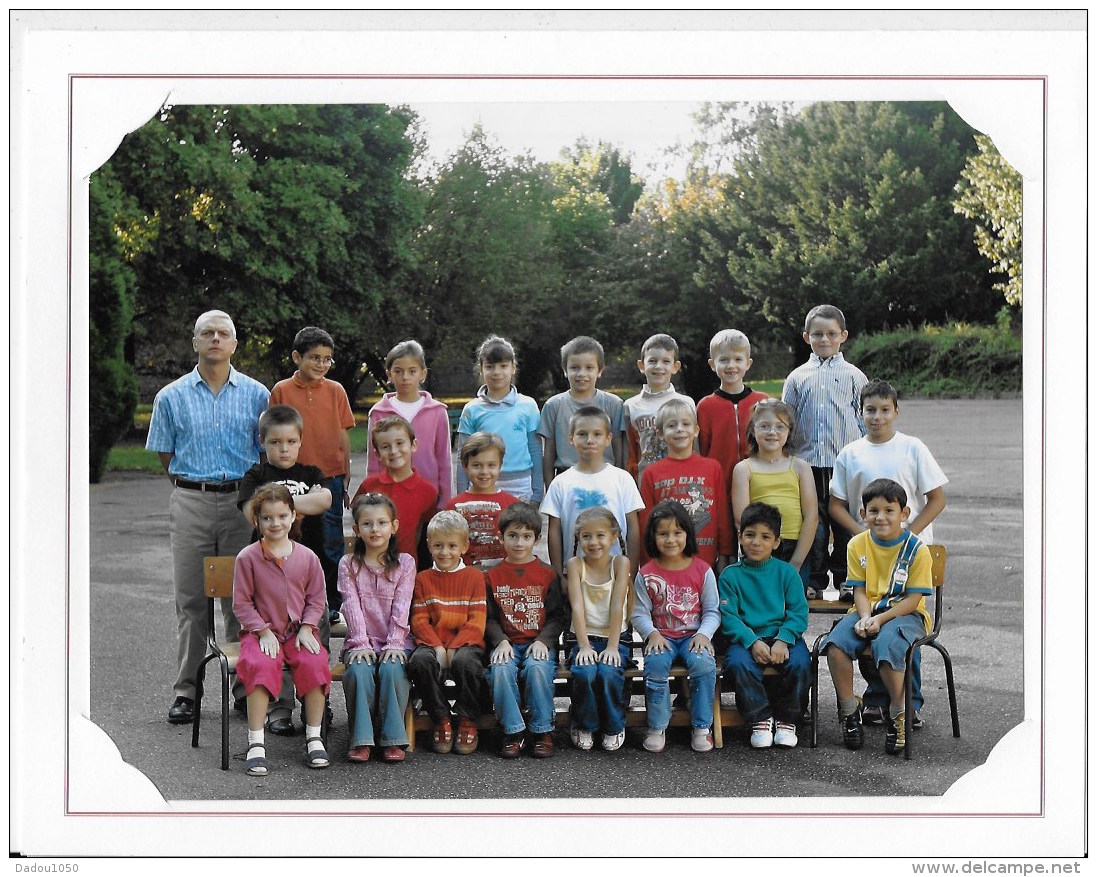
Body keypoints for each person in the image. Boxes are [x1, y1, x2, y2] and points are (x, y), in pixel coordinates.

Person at [145, 309, 269, 724]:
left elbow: (269, 451)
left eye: (224, 333)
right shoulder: (170, 397)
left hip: (242, 503)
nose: (215, 339)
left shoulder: (258, 396)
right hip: (191, 500)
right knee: (192, 600)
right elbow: (166, 455)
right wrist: (193, 487)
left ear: (234, 344)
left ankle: (242, 684)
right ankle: (187, 692)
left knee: (241, 599)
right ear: (195, 342)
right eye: (207, 333)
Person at [828, 378, 948, 724]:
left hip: (908, 551)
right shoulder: (851, 453)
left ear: (895, 411)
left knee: (898, 633)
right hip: (870, 550)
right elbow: (837, 505)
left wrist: (908, 532)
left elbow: (936, 498)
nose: (877, 417)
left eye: (884, 410)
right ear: (860, 412)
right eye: (870, 410)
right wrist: (865, 536)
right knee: (867, 626)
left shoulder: (912, 447)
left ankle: (908, 706)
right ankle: (878, 701)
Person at [820, 479, 935, 756]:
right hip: (867, 611)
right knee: (835, 646)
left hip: (904, 614)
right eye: (873, 511)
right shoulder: (857, 544)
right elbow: (859, 590)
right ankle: (849, 711)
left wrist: (880, 620)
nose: (880, 517)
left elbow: (912, 600)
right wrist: (864, 617)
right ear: (863, 514)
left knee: (887, 646)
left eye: (889, 510)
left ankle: (898, 713)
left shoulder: (916, 549)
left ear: (904, 514)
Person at [237, 404, 334, 735]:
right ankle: (279, 708)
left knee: (312, 643)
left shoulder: (311, 473)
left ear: (300, 441)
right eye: (276, 442)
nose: (284, 448)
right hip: (269, 579)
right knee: (275, 646)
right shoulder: (256, 475)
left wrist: (277, 507)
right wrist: (297, 507)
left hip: (308, 576)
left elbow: (325, 501)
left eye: (291, 442)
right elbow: (250, 508)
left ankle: (317, 706)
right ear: (262, 441)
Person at [232, 484, 332, 776]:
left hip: (298, 631)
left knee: (314, 662)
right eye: (267, 518)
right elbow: (241, 604)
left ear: (293, 517)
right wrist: (262, 632)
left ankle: (314, 735)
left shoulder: (307, 558)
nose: (275, 523)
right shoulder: (247, 558)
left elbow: (316, 599)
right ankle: (256, 742)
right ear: (257, 521)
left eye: (281, 516)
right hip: (261, 632)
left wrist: (308, 628)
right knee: (259, 665)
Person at [269, 326, 355, 623]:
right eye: (314, 358)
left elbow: (343, 433)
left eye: (327, 359)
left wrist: (345, 472)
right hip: (293, 477)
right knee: (296, 542)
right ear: (297, 357)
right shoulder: (282, 390)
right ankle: (295, 604)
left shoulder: (336, 391)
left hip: (328, 476)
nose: (321, 365)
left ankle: (331, 605)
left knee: (330, 543)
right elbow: (274, 431)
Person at [781, 304, 867, 599]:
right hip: (807, 465)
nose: (825, 339)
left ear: (843, 336)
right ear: (807, 337)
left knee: (844, 523)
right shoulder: (797, 377)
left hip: (844, 464)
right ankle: (814, 580)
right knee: (813, 524)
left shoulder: (854, 376)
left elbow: (863, 419)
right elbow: (786, 421)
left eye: (831, 333)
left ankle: (845, 579)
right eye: (818, 334)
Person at [718, 502, 810, 749]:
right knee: (738, 663)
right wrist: (752, 641)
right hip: (747, 639)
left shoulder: (787, 573)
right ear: (740, 537)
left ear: (777, 542)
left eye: (765, 537)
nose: (756, 542)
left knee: (801, 663)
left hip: (783, 636)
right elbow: (729, 616)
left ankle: (787, 719)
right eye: (750, 535)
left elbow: (799, 612)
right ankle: (760, 717)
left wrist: (784, 638)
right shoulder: (730, 575)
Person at [632, 501, 719, 754]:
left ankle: (702, 726)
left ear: (688, 535)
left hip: (694, 636)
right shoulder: (646, 574)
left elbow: (713, 610)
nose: (671, 539)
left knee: (704, 665)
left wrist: (704, 633)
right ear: (653, 536)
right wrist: (652, 633)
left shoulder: (702, 570)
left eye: (677, 533)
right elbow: (639, 613)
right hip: (662, 638)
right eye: (663, 533)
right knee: (656, 666)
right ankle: (657, 725)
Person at [484, 502, 569, 758]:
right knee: (500, 670)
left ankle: (542, 730)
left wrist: (544, 641)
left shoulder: (547, 574)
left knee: (537, 669)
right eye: (512, 536)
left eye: (526, 537)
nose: (519, 543)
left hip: (537, 643)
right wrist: (499, 640)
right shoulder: (491, 575)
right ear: (502, 537)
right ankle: (513, 731)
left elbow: (557, 617)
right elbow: (488, 617)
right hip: (507, 643)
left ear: (537, 538)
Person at [337, 492, 416, 764]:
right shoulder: (348, 565)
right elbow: (351, 605)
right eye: (368, 524)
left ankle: (393, 738)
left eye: (382, 523)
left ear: (394, 526)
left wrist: (395, 642)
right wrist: (360, 642)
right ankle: (361, 739)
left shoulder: (405, 563)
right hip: (361, 641)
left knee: (394, 668)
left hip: (396, 639)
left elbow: (402, 606)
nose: (375, 529)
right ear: (357, 530)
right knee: (359, 670)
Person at [406, 511, 488, 755]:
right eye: (438, 546)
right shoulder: (423, 578)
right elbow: (419, 620)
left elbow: (477, 621)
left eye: (452, 546)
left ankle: (466, 719)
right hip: (433, 643)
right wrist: (438, 647)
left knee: (466, 663)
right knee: (420, 662)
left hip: (467, 643)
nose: (445, 552)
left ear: (464, 546)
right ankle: (440, 717)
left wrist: (453, 648)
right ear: (429, 545)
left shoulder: (474, 577)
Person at [540, 406, 644, 577]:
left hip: (615, 573)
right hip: (575, 574)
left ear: (608, 438)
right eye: (582, 434)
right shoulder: (560, 483)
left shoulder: (622, 479)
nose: (590, 440)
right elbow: (554, 531)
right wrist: (559, 576)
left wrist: (631, 572)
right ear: (571, 438)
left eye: (597, 434)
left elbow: (632, 526)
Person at [730, 399, 819, 595]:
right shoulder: (744, 469)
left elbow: (812, 516)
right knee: (760, 598)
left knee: (790, 601)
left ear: (789, 432)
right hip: (759, 546)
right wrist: (759, 545)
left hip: (795, 547)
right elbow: (741, 518)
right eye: (765, 426)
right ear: (753, 430)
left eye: (780, 427)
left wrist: (796, 562)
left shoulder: (800, 467)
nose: (772, 432)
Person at [564, 506, 633, 752]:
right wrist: (583, 645)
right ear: (579, 539)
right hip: (582, 637)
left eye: (600, 535)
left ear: (614, 536)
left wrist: (613, 646)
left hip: (616, 638)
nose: (593, 542)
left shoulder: (620, 563)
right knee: (585, 672)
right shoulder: (575, 564)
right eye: (586, 536)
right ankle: (584, 723)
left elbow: (617, 606)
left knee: (609, 671)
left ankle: (614, 725)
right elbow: (577, 606)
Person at [639, 397, 733, 572]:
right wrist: (647, 562)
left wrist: (726, 553)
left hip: (706, 560)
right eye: (672, 425)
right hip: (665, 562)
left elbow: (721, 514)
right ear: (660, 433)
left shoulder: (712, 468)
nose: (680, 430)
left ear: (696, 430)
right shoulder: (652, 473)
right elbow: (646, 521)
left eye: (686, 424)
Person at [365, 339, 453, 508]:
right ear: (389, 374)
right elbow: (374, 461)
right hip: (389, 495)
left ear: (423, 373)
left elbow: (444, 460)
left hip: (428, 495)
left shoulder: (437, 411)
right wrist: (373, 497)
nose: (405, 377)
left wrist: (445, 500)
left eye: (412, 371)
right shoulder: (378, 413)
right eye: (398, 371)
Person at [456, 335, 543, 502]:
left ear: (513, 368)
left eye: (503, 366)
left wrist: (538, 492)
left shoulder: (528, 406)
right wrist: (462, 496)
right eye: (490, 366)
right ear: (481, 369)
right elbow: (463, 455)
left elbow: (536, 451)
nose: (497, 372)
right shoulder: (471, 410)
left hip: (520, 487)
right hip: (483, 484)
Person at [538, 335, 625, 488]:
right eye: (574, 368)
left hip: (606, 478)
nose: (581, 374)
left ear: (600, 370)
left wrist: (619, 482)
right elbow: (549, 451)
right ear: (565, 370)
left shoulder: (613, 404)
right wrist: (550, 487)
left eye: (589, 368)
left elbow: (618, 446)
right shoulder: (554, 405)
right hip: (566, 479)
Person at [353, 415, 439, 568]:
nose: (394, 451)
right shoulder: (369, 486)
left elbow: (423, 535)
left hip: (407, 569)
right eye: (385, 446)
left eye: (400, 443)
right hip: (370, 567)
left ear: (413, 445)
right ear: (378, 454)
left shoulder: (428, 491)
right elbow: (359, 525)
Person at [697, 328, 769, 490]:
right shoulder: (705, 406)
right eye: (724, 360)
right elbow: (702, 450)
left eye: (738, 359)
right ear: (712, 364)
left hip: (757, 482)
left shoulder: (763, 402)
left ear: (748, 363)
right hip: (718, 484)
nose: (731, 365)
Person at [622, 333, 694, 482]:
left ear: (675, 367)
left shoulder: (687, 403)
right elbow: (629, 452)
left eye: (666, 361)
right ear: (641, 366)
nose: (658, 366)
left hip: (681, 479)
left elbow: (695, 447)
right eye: (652, 361)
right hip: (646, 481)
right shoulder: (631, 406)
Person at [445, 431, 519, 568]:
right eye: (477, 465)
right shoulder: (454, 507)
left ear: (500, 465)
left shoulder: (513, 505)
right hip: (466, 580)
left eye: (491, 465)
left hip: (503, 581)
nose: (484, 471)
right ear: (465, 465)